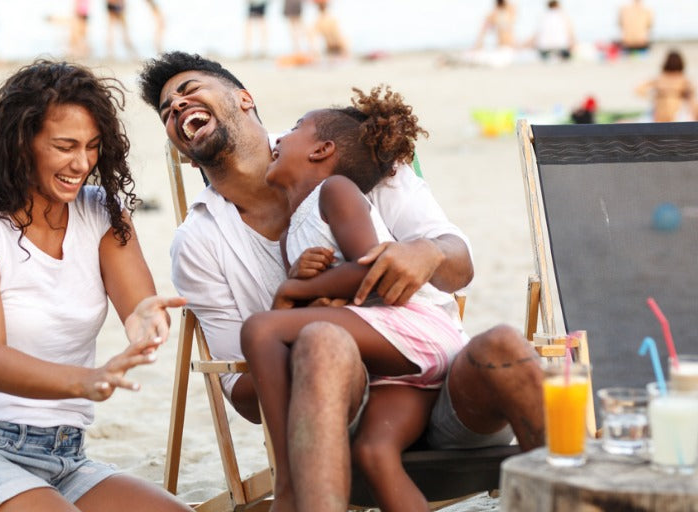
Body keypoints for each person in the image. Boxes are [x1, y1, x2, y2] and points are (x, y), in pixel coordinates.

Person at [138, 52, 543, 511]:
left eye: (189, 89)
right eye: (166, 109)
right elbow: (246, 398)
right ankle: (294, 484)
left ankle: (581, 495)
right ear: (182, 151)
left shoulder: (354, 161)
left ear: (244, 99)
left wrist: (425, 252)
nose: (175, 106)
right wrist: (310, 333)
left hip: (448, 386)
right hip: (348, 420)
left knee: (505, 344)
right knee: (323, 342)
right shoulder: (198, 242)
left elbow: (457, 267)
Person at [0, 60, 191, 512]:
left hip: (66, 458)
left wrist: (147, 324)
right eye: (65, 146)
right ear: (21, 144)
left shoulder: (102, 212)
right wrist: (89, 380)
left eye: (92, 146)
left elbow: (140, 306)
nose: (81, 163)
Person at [240, 87, 468, 511]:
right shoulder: (295, 229)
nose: (276, 140)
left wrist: (296, 289)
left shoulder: (336, 191)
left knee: (259, 328)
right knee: (375, 455)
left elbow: (372, 272)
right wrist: (306, 287)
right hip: (392, 369)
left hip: (415, 326)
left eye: (292, 130)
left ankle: (287, 482)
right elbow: (333, 299)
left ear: (321, 150)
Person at [635, 50, 697, 123]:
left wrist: (655, 96)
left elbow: (639, 89)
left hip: (667, 117)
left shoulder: (661, 78)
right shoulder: (682, 80)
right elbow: (691, 100)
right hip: (666, 117)